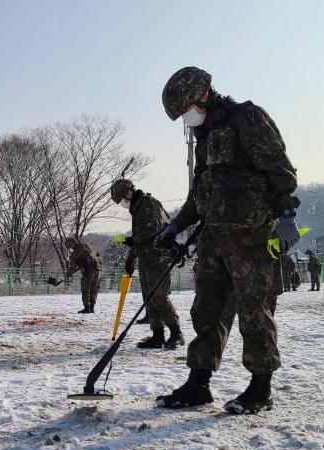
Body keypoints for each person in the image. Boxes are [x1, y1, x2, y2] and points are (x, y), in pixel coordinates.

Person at [154, 67, 300, 414]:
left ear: (203, 94)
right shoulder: (205, 136)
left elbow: (281, 172)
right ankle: (198, 384)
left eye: (186, 109)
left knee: (255, 311)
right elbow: (199, 194)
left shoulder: (247, 119)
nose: (186, 119)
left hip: (252, 238)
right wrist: (175, 227)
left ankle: (260, 388)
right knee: (206, 310)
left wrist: (287, 217)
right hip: (214, 240)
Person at [110, 179, 184, 349]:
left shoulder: (148, 203)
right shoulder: (136, 209)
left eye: (122, 198)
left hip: (159, 259)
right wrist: (131, 257)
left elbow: (153, 229)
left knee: (159, 297)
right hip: (145, 261)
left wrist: (132, 240)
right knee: (149, 299)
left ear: (129, 192)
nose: (123, 203)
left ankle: (176, 333)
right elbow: (140, 240)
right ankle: (157, 335)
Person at [65, 237, 103, 313]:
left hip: (88, 270)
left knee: (85, 288)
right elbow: (94, 254)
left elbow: (73, 267)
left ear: (71, 245)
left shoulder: (75, 253)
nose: (69, 249)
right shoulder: (86, 245)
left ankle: (87, 308)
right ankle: (92, 308)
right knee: (94, 288)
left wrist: (68, 274)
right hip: (98, 268)